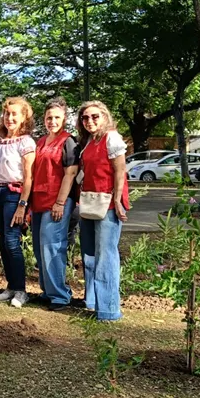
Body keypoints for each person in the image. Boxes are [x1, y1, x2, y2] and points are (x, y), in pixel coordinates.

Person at [76, 100, 129, 322]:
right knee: (89, 253)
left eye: (95, 116)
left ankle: (108, 309)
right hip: (89, 202)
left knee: (106, 255)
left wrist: (118, 200)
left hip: (108, 203)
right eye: (85, 118)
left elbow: (120, 171)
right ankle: (93, 301)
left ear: (105, 117)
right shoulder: (88, 141)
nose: (90, 121)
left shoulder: (112, 138)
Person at [0, 97, 36, 308]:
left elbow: (28, 176)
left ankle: (21, 290)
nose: (10, 118)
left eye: (15, 114)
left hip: (14, 195)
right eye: (7, 113)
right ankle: (11, 286)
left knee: (12, 241)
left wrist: (22, 205)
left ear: (24, 117)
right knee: (2, 241)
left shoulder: (26, 142)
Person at [30, 97, 79, 311]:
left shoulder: (69, 141)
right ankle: (47, 291)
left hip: (57, 200)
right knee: (40, 248)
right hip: (38, 201)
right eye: (49, 117)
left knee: (52, 246)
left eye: (57, 117)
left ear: (64, 119)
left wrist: (60, 202)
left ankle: (60, 295)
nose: (52, 121)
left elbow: (70, 173)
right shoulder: (40, 142)